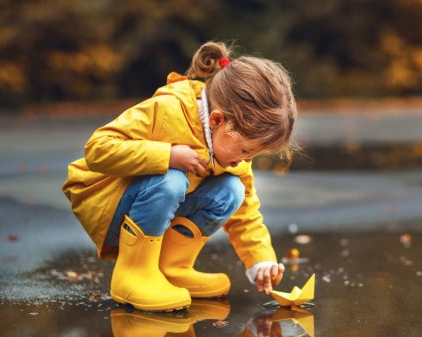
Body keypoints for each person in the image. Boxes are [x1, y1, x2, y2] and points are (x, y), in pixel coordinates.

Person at [62, 41, 297, 311]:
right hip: (107, 202)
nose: (246, 159)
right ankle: (133, 275)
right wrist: (167, 155)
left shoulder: (231, 151)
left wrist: (261, 261)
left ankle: (171, 268)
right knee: (172, 178)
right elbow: (97, 150)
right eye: (245, 149)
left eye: (254, 154)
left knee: (233, 189)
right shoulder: (167, 110)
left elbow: (246, 212)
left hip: (153, 206)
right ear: (218, 120)